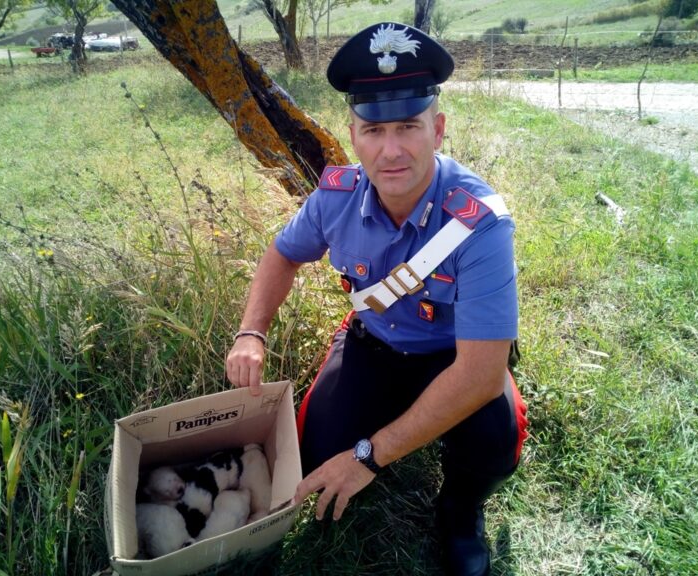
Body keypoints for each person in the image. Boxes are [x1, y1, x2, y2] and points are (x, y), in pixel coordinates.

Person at [226, 22, 528, 576]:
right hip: (376, 343)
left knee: (495, 439)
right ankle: (388, 428)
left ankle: (460, 514)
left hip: (454, 357)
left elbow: (480, 375)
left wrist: (368, 456)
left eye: (409, 126)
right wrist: (252, 330)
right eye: (374, 129)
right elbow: (282, 255)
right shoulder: (334, 198)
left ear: (437, 130)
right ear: (354, 134)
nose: (391, 150)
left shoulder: (478, 223)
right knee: (313, 458)